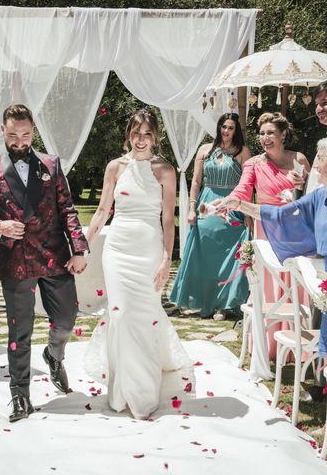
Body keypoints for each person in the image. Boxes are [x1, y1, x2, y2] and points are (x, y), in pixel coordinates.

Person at [214, 136, 327, 451]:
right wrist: (240, 204)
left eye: (320, 157)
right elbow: (280, 215)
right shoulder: (319, 198)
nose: (314, 163)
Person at [0, 104, 88, 422]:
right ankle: (20, 396)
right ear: (2, 132)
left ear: (33, 130)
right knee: (19, 331)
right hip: (16, 259)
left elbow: (68, 209)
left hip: (54, 255)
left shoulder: (51, 164)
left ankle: (53, 354)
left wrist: (78, 249)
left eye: (25, 134)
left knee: (66, 319)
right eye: (12, 135)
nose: (19, 141)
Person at [82, 107, 191, 420]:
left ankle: (142, 393)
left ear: (155, 137)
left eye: (147, 134)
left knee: (142, 319)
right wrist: (82, 248)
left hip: (149, 251)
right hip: (117, 251)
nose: (141, 140)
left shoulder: (165, 170)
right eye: (135, 133)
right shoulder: (115, 167)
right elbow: (103, 211)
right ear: (128, 135)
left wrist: (166, 260)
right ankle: (120, 391)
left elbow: (169, 220)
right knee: (121, 316)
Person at [222, 112, 310, 359]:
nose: (265, 138)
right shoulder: (254, 164)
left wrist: (301, 186)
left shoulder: (299, 159)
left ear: (283, 134)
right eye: (261, 133)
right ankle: (269, 346)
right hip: (267, 231)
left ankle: (296, 348)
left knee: (294, 286)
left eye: (270, 132)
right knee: (270, 287)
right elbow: (242, 189)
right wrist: (231, 201)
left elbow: (313, 196)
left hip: (296, 233)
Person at [169, 112, 251, 320]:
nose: (226, 131)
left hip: (231, 204)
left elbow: (248, 184)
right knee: (203, 252)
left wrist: (247, 211)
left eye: (231, 128)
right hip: (206, 204)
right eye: (224, 127)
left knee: (228, 254)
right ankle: (201, 299)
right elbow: (196, 182)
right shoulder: (205, 150)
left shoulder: (243, 151)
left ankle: (224, 304)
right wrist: (191, 208)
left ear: (236, 130)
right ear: (218, 127)